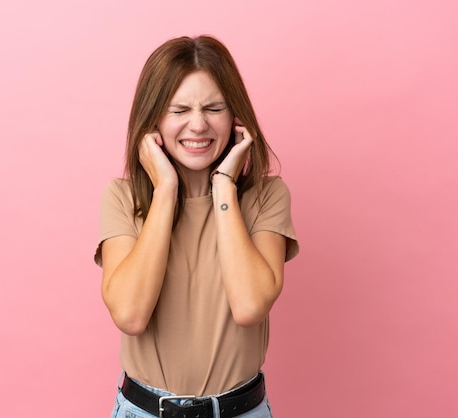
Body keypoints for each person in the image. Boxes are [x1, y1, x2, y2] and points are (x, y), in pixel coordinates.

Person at [95, 35, 299, 418]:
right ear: (153, 119)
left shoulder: (266, 196)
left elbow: (250, 306)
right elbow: (130, 314)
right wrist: (166, 191)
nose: (198, 124)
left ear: (235, 116)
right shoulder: (123, 199)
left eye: (214, 108)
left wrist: (222, 185)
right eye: (179, 110)